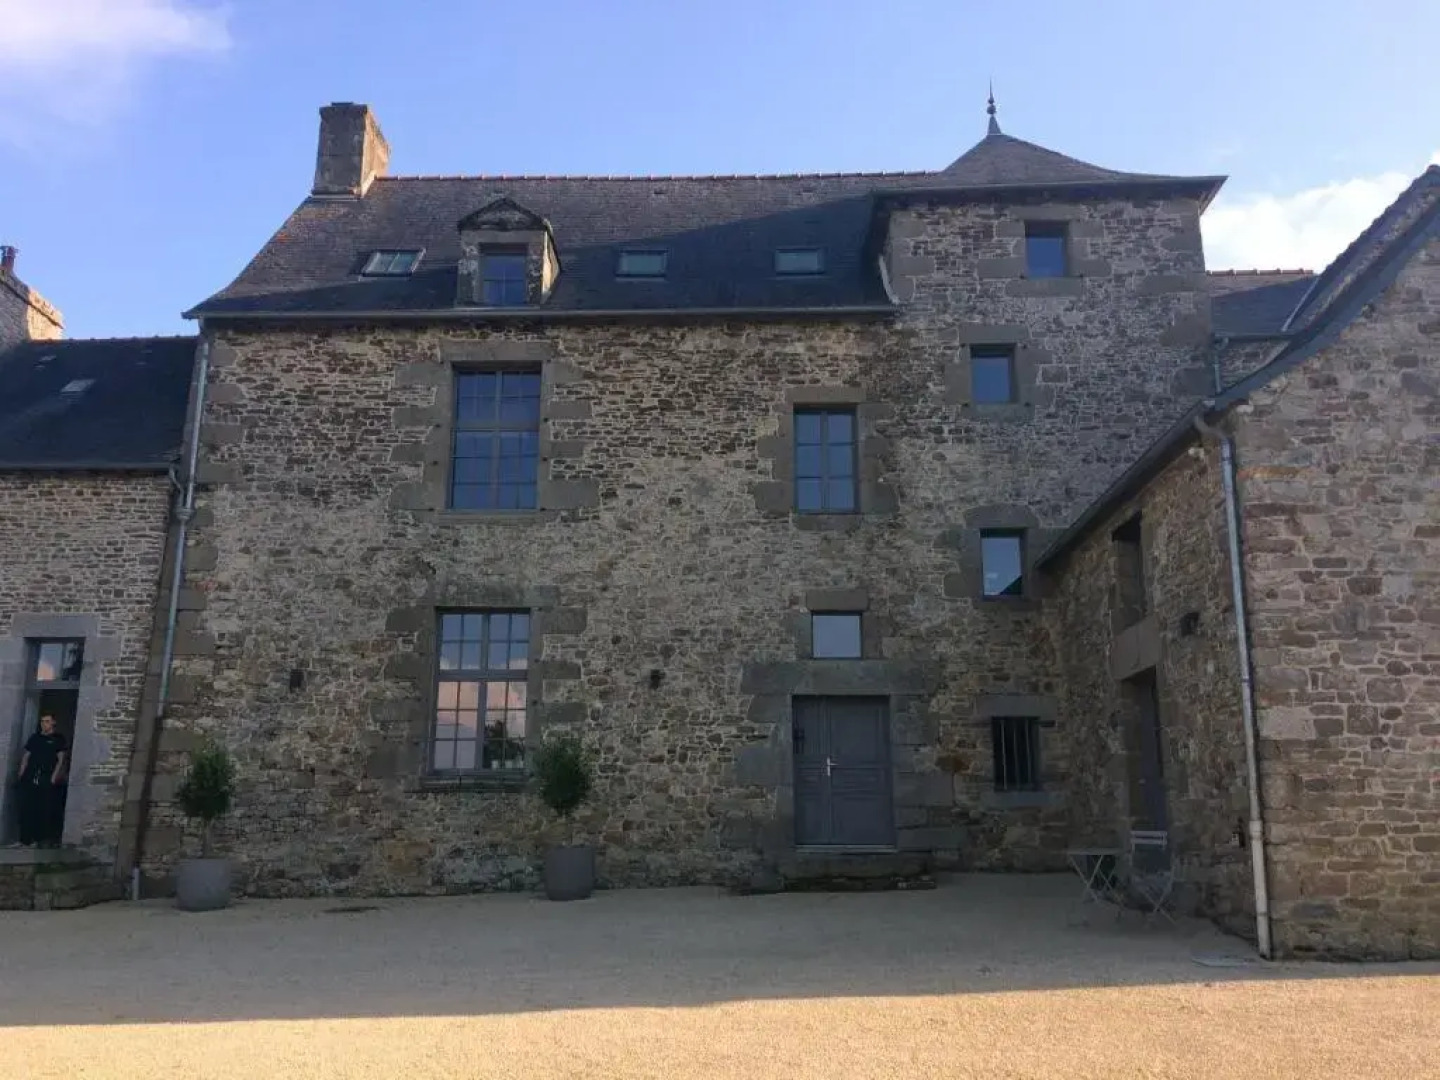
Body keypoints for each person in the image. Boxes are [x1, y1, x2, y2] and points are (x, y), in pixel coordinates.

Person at [16, 714, 68, 848]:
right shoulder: (35, 738)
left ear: (53, 723)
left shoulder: (58, 739)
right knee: (27, 808)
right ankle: (25, 839)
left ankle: (41, 839)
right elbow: (26, 756)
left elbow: (60, 760)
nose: (44, 724)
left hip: (46, 777)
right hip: (31, 776)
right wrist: (21, 773)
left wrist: (53, 777)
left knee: (43, 809)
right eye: (42, 721)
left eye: (47, 721)